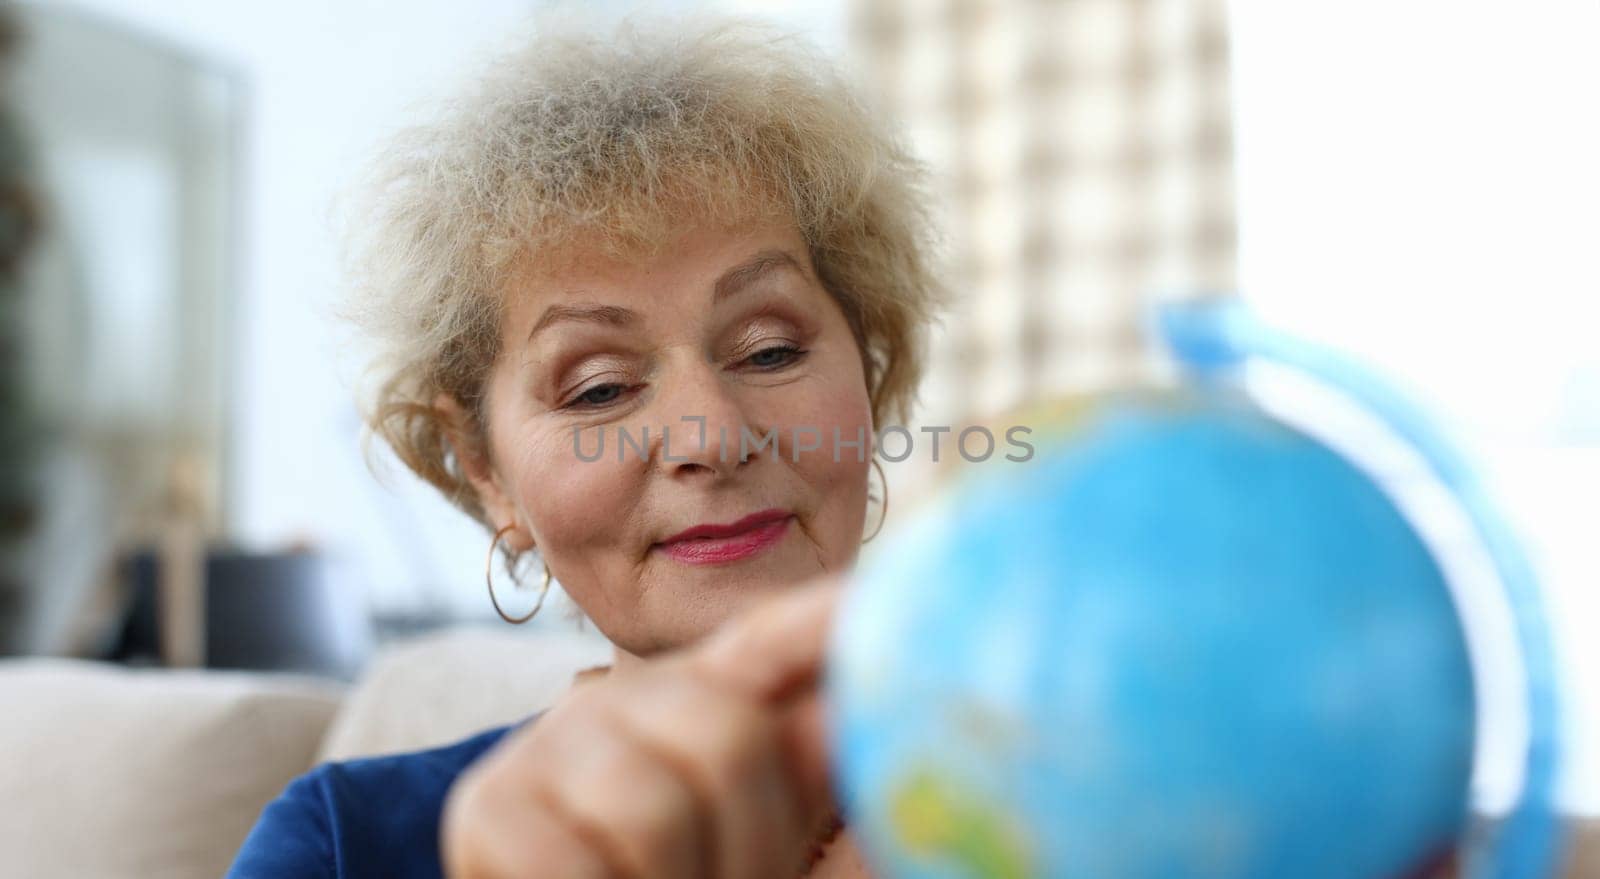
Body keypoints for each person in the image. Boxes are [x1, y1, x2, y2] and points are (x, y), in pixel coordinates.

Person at [228, 16, 943, 879]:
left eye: (770, 350)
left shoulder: (1095, 795)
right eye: (599, 388)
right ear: (486, 472)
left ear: (867, 374)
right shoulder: (344, 844)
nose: (711, 435)